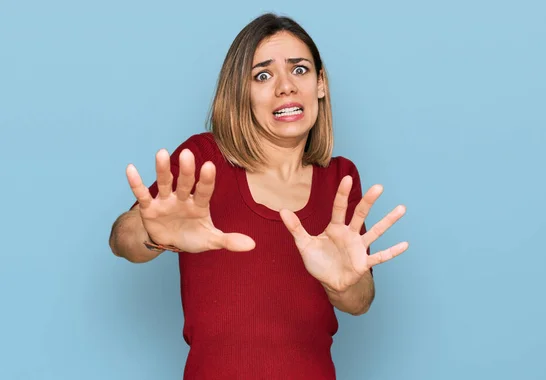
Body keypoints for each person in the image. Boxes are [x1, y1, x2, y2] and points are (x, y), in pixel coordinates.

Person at [109, 12, 408, 379]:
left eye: (299, 70)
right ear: (241, 92)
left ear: (321, 84)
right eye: (263, 75)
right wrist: (153, 233)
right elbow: (122, 240)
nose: (285, 86)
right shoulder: (204, 160)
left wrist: (342, 284)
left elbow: (359, 301)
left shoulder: (340, 180)